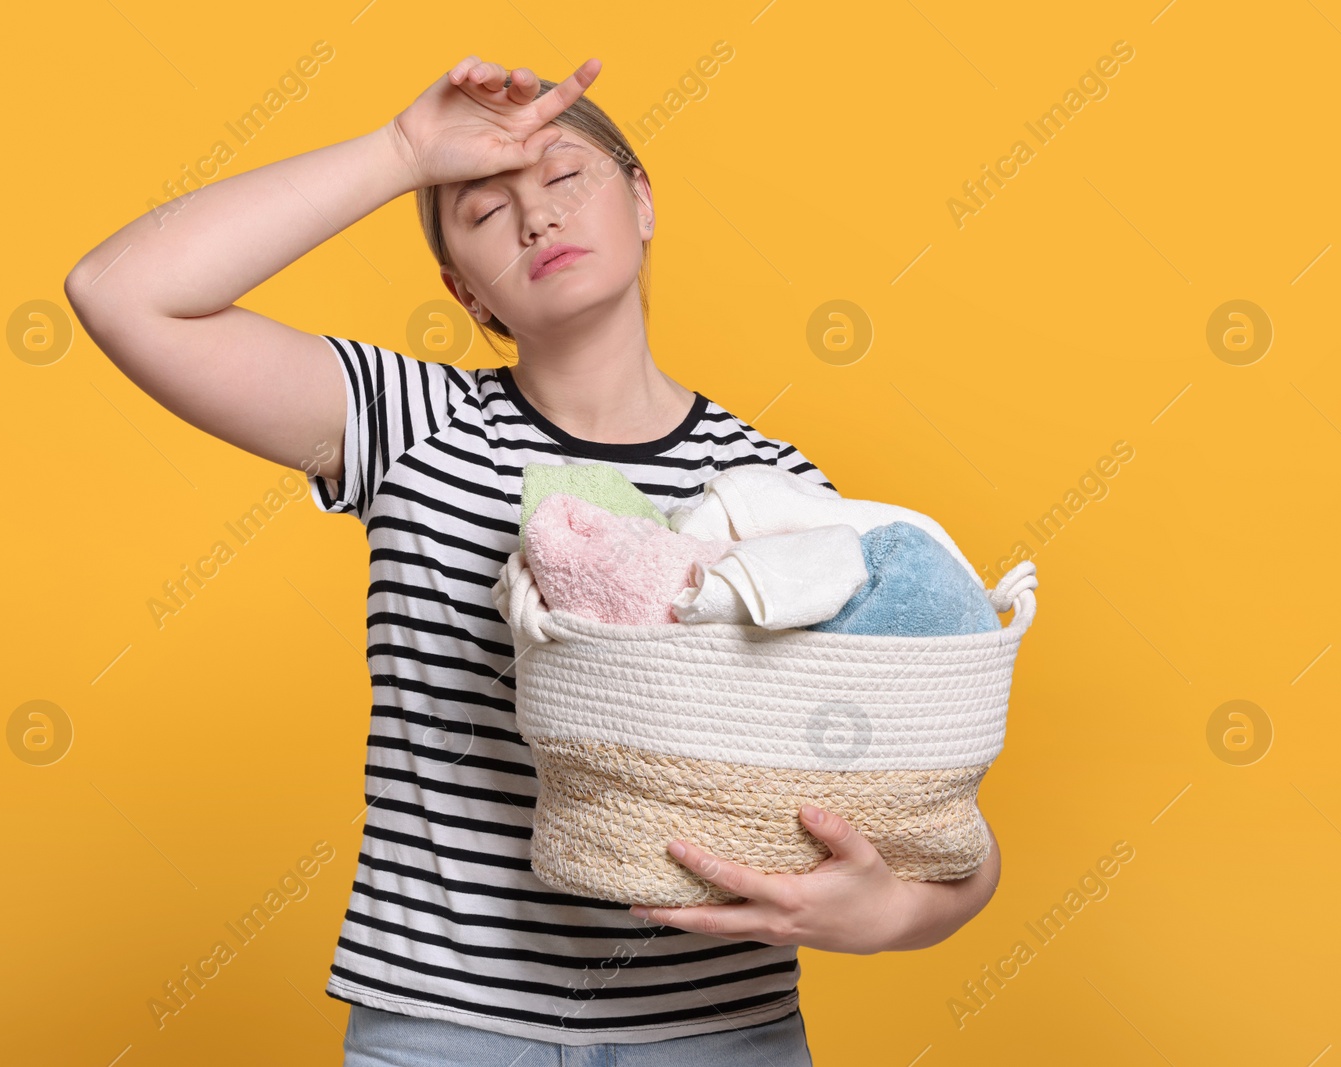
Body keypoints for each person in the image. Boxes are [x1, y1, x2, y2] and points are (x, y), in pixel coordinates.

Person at [65, 55, 1000, 1066]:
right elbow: (120, 291)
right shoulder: (411, 427)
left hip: (717, 1033)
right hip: (443, 1030)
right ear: (466, 290)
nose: (538, 218)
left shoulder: (775, 491)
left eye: (566, 175)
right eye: (482, 209)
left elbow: (929, 808)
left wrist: (895, 913)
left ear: (641, 200)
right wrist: (403, 152)